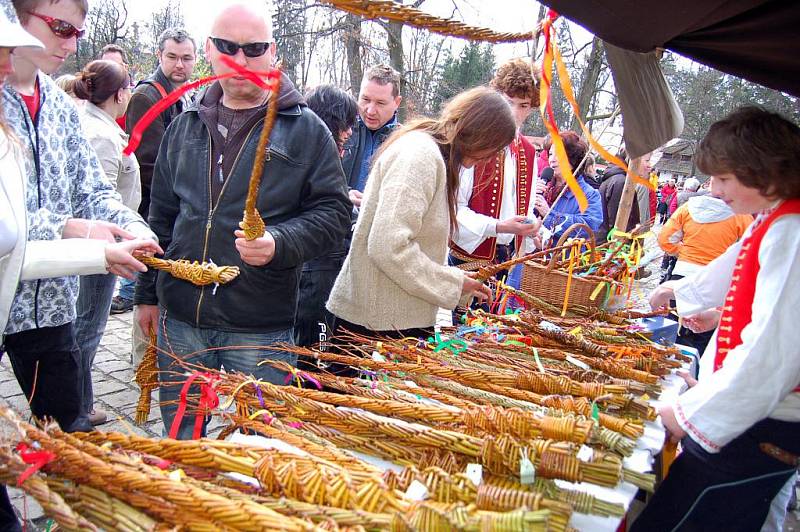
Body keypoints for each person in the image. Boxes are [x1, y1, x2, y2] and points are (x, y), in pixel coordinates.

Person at [134, 3, 351, 440]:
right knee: (183, 440)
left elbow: (334, 215)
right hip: (181, 318)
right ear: (210, 51)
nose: (241, 59)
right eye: (228, 47)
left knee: (261, 445)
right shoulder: (184, 125)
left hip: (260, 322)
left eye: (253, 48)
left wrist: (279, 242)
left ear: (272, 52)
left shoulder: (306, 129)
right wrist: (146, 295)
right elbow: (161, 217)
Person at [636, 107, 800, 531]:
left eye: (724, 179)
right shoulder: (775, 217)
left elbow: (771, 356)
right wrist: (688, 296)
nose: (715, 189)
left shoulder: (792, 231)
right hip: (755, 421)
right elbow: (738, 266)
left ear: (760, 170)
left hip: (762, 427)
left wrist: (688, 415)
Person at [2, 0, 154, 435]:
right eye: (59, 28)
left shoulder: (59, 106)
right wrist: (75, 231)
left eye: (78, 34)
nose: (70, 44)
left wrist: (133, 228)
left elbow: (91, 190)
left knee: (68, 432)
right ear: (14, 17)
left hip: (52, 304)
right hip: (3, 295)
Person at [327, 87, 515, 336]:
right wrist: (451, 284)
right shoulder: (420, 155)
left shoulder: (433, 154)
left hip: (392, 319)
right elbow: (388, 245)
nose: (491, 158)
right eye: (494, 148)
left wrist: (454, 282)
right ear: (481, 135)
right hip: (377, 326)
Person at [72, 59, 141, 425]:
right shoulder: (99, 135)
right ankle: (78, 404)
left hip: (105, 241)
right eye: (128, 88)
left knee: (85, 323)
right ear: (120, 93)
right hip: (103, 244)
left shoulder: (100, 126)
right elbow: (99, 198)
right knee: (88, 325)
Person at [111, 27, 197, 315]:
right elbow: (150, 164)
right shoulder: (147, 95)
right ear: (159, 56)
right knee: (148, 293)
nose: (179, 64)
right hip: (153, 208)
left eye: (186, 58)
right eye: (172, 57)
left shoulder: (182, 95)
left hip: (174, 206)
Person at [449, 58, 541, 270]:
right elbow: (454, 209)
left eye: (523, 105)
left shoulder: (527, 152)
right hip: (467, 258)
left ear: (531, 107)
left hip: (504, 261)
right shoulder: (475, 142)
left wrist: (533, 229)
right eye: (509, 102)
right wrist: (498, 227)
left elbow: (523, 210)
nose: (514, 113)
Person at [295, 84, 357, 348]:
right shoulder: (311, 151)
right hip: (315, 272)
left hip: (326, 269)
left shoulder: (322, 152)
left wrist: (347, 196)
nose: (351, 131)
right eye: (347, 124)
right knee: (315, 353)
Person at [657, 193, 752, 352]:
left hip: (682, 275)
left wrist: (684, 252)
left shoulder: (687, 208)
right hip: (716, 282)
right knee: (702, 334)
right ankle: (693, 367)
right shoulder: (741, 215)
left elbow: (665, 239)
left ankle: (664, 360)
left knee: (673, 325)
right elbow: (749, 252)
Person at [341, 64, 401, 208]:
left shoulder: (405, 143)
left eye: (380, 103)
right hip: (336, 221)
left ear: (397, 102)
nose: (370, 110)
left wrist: (376, 206)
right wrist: (342, 194)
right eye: (365, 100)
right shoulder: (341, 129)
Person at [535, 131, 603, 242]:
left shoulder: (589, 195)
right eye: (551, 154)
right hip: (533, 254)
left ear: (573, 159)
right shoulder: (544, 186)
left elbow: (588, 227)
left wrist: (549, 215)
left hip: (565, 257)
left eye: (559, 154)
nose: (552, 159)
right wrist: (529, 196)